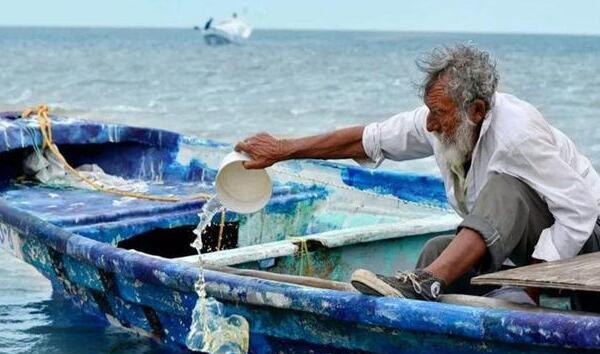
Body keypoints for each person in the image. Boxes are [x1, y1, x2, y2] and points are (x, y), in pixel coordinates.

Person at [235, 43, 600, 309]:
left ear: (475, 110)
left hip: (588, 244)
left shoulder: (517, 133)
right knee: (435, 251)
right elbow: (368, 139)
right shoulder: (441, 121)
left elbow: (580, 210)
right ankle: (426, 316)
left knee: (505, 187)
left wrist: (530, 286)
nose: (429, 123)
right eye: (428, 110)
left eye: (438, 113)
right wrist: (284, 149)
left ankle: (426, 284)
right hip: (525, 245)